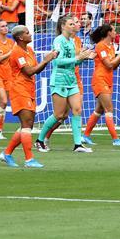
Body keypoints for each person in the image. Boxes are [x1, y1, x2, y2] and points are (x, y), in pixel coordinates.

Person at [35, 14, 95, 153]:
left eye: (74, 24)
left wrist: (85, 57)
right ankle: (39, 140)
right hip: (59, 80)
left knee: (77, 110)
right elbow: (57, 61)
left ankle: (77, 144)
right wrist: (77, 57)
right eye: (71, 24)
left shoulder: (72, 42)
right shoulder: (58, 41)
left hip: (71, 80)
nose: (74, 26)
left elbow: (75, 61)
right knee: (59, 115)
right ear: (63, 26)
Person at [0, 25, 57, 168]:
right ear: (20, 37)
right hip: (19, 90)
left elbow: (36, 70)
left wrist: (46, 60)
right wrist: (46, 60)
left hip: (29, 89)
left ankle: (7, 153)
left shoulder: (29, 50)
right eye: (27, 33)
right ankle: (29, 159)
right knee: (26, 125)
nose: (30, 34)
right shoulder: (17, 52)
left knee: (28, 125)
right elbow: (29, 71)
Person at [83, 23, 120, 147]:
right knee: (109, 109)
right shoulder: (100, 46)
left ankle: (85, 135)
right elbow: (109, 64)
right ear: (108, 32)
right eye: (114, 30)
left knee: (99, 109)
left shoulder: (111, 47)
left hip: (108, 80)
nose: (116, 33)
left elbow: (113, 66)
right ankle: (115, 139)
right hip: (100, 80)